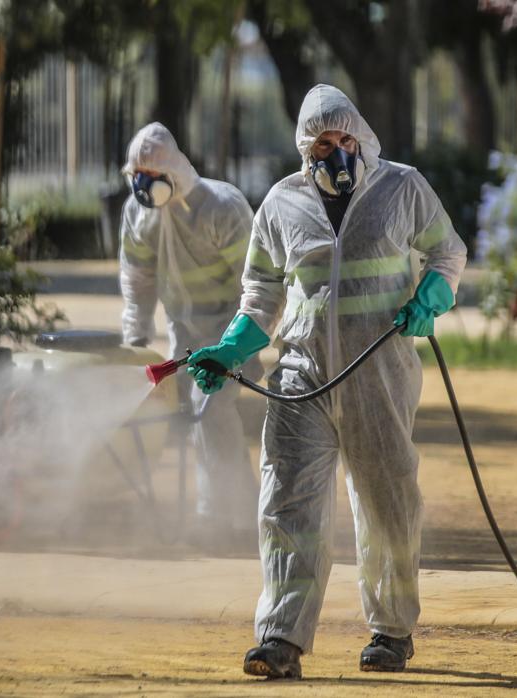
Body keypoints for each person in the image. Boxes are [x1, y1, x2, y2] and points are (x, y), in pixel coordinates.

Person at [186, 85, 467, 679]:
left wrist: (431, 297)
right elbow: (260, 293)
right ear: (304, 150)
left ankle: (391, 631)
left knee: (387, 499)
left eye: (344, 140)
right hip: (300, 377)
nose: (335, 152)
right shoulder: (281, 204)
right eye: (322, 144)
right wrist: (233, 348)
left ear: (360, 137)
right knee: (287, 503)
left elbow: (448, 251)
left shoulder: (401, 187)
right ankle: (280, 637)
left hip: (378, 373)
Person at [118, 122, 260, 551]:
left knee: (211, 412)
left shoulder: (221, 207)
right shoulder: (140, 215)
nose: (142, 186)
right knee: (200, 421)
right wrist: (135, 342)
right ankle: (251, 513)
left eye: (151, 175)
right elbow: (137, 282)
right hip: (183, 332)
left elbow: (257, 282)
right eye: (136, 176)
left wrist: (247, 339)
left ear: (173, 174)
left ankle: (214, 519)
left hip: (228, 330)